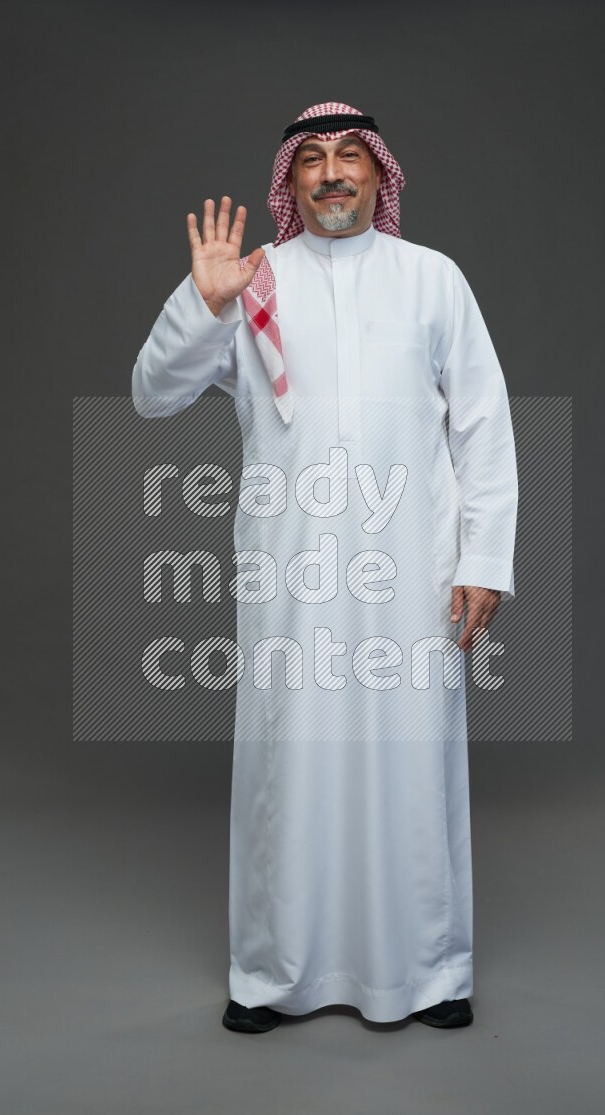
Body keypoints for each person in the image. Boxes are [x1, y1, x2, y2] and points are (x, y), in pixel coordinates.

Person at [132, 102, 518, 1033]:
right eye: (313, 160)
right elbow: (153, 395)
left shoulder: (432, 280)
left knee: (413, 761)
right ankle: (272, 972)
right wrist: (204, 302)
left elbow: (483, 425)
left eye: (351, 156)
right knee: (287, 763)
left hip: (410, 571)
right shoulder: (255, 283)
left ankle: (427, 971)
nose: (333, 172)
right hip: (291, 572)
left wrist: (484, 558)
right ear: (290, 182)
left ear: (380, 176)